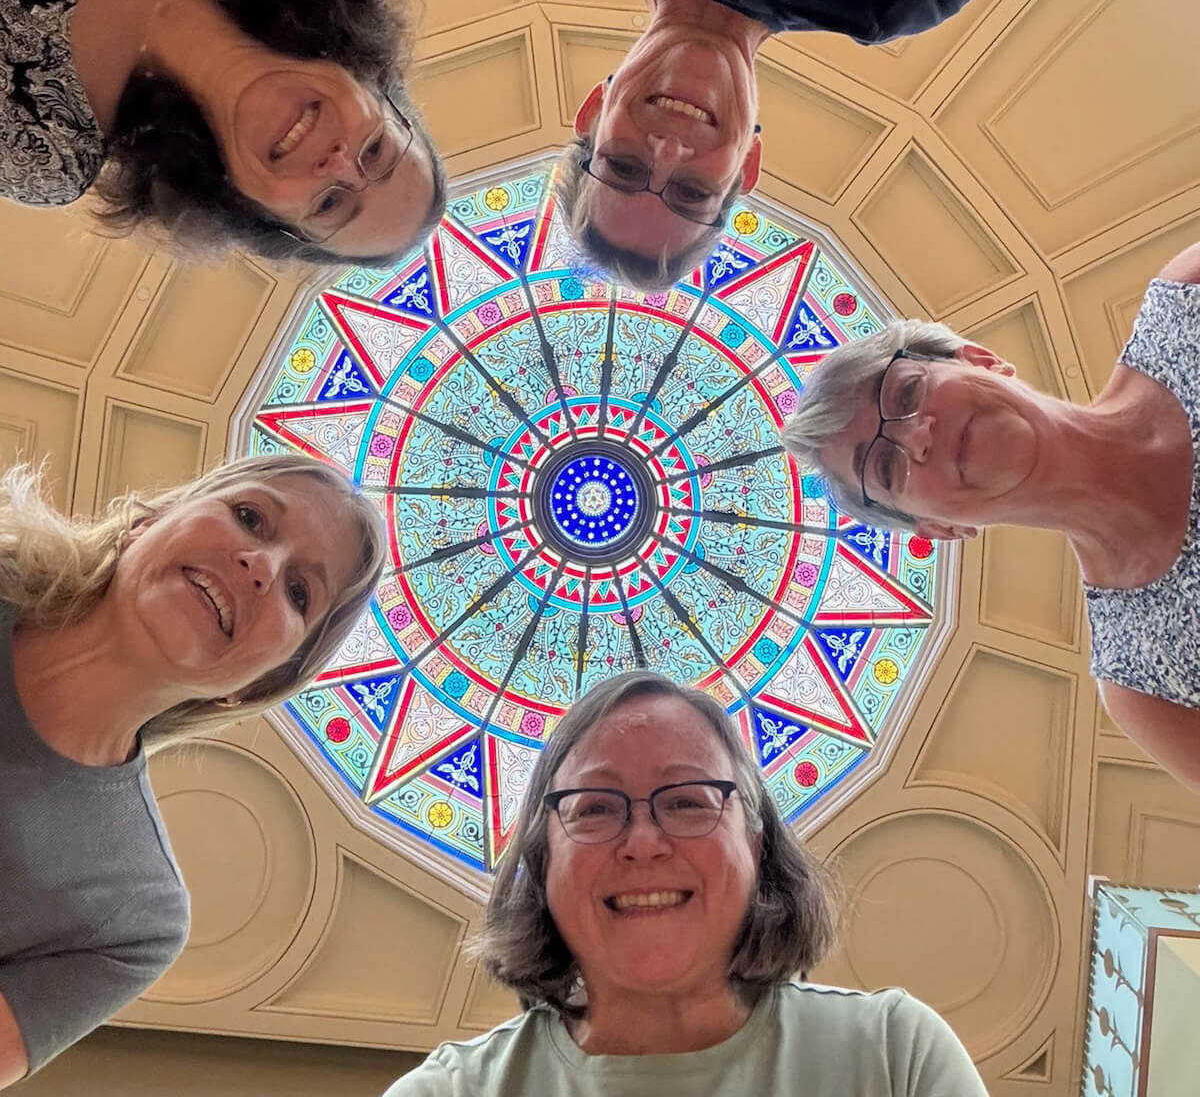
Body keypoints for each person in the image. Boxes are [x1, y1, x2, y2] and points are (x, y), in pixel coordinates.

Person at [384, 671, 988, 1095]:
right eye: (595, 808)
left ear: (755, 844)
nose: (643, 842)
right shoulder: (450, 1091)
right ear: (542, 861)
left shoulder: (894, 1058)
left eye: (688, 802)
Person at [0, 454, 387, 1087]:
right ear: (147, 522)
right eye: (250, 517)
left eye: (299, 592)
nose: (261, 567)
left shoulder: (135, 914)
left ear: (260, 682)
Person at [783, 242, 1200, 794]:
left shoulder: (1186, 303)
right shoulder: (1147, 684)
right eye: (885, 465)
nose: (918, 435)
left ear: (979, 358)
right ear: (936, 528)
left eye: (907, 391)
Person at [500, 0, 1065, 290]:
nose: (668, 152)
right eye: (693, 192)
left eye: (623, 167)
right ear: (747, 164)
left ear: (593, 112)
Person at [1, 0, 446, 266]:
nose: (340, 165)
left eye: (329, 204)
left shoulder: (44, 154)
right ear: (374, 84)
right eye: (376, 150)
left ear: (252, 210)